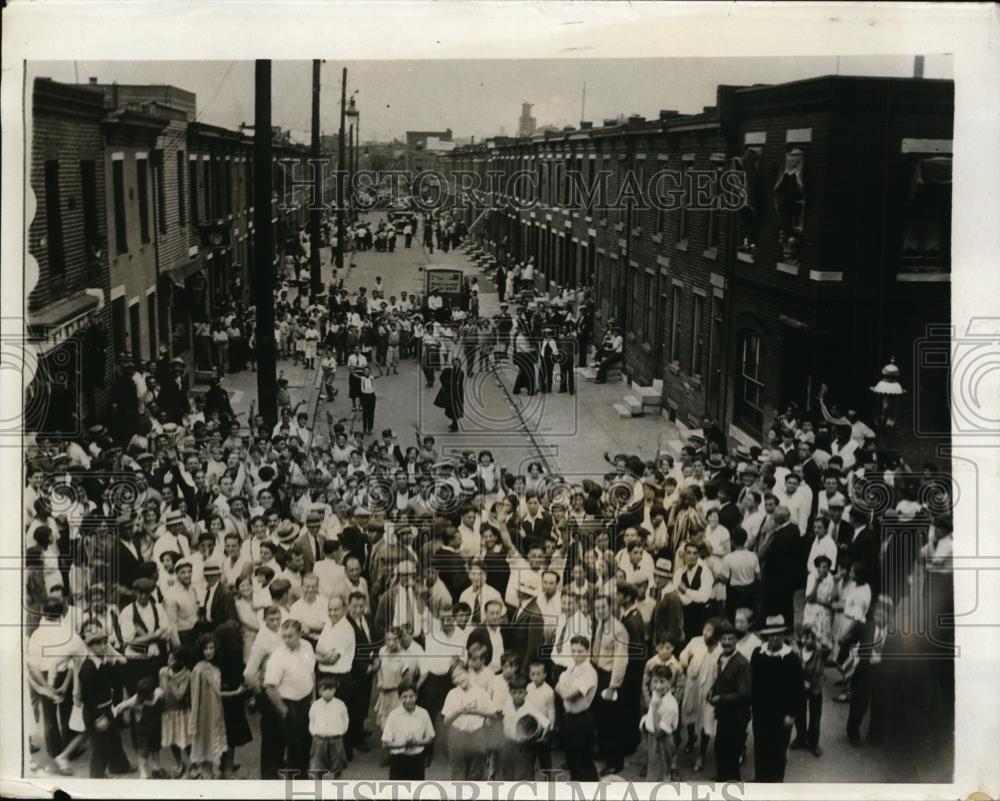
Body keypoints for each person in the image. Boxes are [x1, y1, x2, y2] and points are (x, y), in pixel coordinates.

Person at [750, 615, 802, 782]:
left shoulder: (791, 658)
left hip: (781, 715)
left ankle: (775, 783)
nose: (774, 638)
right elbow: (753, 682)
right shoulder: (758, 654)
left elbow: (797, 690)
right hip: (761, 712)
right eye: (771, 635)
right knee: (760, 747)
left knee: (778, 750)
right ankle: (760, 780)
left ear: (784, 636)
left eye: (778, 634)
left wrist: (791, 714)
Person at [264, 619, 317, 778]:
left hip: (306, 701)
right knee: (293, 747)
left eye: (290, 636)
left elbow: (311, 673)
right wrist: (284, 710)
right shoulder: (278, 656)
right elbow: (269, 687)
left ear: (300, 634)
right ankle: (295, 781)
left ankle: (303, 776)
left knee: (306, 743)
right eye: (284, 636)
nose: (286, 640)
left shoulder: (307, 646)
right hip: (288, 704)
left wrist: (313, 699)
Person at [708, 622, 752, 781]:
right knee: (720, 748)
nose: (726, 642)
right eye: (723, 638)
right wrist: (712, 691)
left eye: (730, 639)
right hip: (724, 714)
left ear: (736, 641)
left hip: (737, 716)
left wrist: (721, 699)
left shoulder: (742, 664)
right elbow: (719, 681)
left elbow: (744, 694)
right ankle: (721, 777)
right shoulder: (721, 658)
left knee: (732, 752)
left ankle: (732, 783)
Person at [554, 635, 599, 781]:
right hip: (569, 719)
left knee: (583, 763)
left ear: (587, 651)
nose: (576, 655)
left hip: (582, 720)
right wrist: (563, 688)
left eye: (580, 651)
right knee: (572, 761)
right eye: (573, 651)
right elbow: (557, 686)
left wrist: (564, 688)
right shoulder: (572, 668)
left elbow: (566, 693)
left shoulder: (589, 673)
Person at [441, 662, 495, 780]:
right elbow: (446, 721)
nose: (458, 679)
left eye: (460, 674)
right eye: (454, 677)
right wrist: (460, 711)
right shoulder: (452, 694)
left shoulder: (480, 691)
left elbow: (493, 714)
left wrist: (477, 712)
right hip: (457, 735)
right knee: (458, 772)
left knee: (476, 772)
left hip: (476, 734)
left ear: (467, 672)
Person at [188, 633, 227, 779]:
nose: (209, 652)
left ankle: (211, 775)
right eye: (205, 648)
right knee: (204, 748)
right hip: (203, 715)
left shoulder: (215, 668)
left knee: (213, 748)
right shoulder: (198, 670)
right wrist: (195, 720)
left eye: (211, 648)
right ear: (200, 650)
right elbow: (195, 696)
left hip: (216, 712)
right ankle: (205, 777)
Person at [498, 673, 550, 780]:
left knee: (525, 775)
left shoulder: (530, 708)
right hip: (507, 744)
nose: (518, 695)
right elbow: (502, 719)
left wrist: (540, 736)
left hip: (524, 747)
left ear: (526, 693)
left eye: (521, 692)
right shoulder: (507, 705)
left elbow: (546, 723)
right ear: (510, 693)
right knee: (507, 773)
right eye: (515, 692)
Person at [382, 683, 436, 779]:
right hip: (398, 760)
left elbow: (430, 738)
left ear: (416, 696)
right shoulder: (393, 715)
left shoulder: (423, 714)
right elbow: (386, 743)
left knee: (416, 791)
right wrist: (404, 744)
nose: (408, 700)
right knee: (397, 792)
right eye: (404, 697)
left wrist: (417, 742)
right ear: (399, 698)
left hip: (417, 759)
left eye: (411, 696)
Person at [791, 624, 827, 756]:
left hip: (815, 689)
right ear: (802, 638)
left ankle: (813, 742)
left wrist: (817, 633)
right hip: (800, 689)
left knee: (815, 717)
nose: (809, 640)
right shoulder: (796, 653)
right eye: (806, 637)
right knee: (799, 714)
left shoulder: (820, 653)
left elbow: (829, 646)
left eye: (812, 637)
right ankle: (800, 738)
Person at [640, 664, 680, 782]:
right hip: (652, 737)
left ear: (670, 683)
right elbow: (651, 713)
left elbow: (659, 732)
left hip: (662, 740)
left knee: (660, 773)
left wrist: (656, 709)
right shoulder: (656, 694)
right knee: (653, 768)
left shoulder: (671, 705)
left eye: (662, 682)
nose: (657, 686)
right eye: (655, 681)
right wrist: (645, 721)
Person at [159, 648, 192, 778]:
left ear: (181, 662)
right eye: (169, 658)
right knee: (172, 741)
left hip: (182, 713)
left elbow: (179, 695)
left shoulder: (187, 675)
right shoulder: (162, 671)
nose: (168, 661)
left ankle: (194, 764)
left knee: (187, 742)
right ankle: (179, 764)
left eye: (172, 659)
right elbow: (161, 691)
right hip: (167, 713)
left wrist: (170, 680)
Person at [309, 675, 349, 778]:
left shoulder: (340, 704)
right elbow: (312, 720)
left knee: (337, 763)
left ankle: (337, 783)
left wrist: (340, 732)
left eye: (331, 689)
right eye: (324, 689)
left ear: (335, 689)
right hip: (320, 739)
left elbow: (345, 720)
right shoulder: (316, 705)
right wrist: (315, 733)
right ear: (319, 691)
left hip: (336, 739)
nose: (328, 692)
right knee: (318, 764)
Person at [436, 357, 466, 432]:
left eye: (457, 363)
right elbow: (444, 378)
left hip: (456, 395)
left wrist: (448, 383)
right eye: (454, 363)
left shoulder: (460, 373)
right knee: (450, 409)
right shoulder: (451, 371)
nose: (455, 365)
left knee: (454, 410)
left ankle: (455, 427)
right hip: (450, 394)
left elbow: (456, 384)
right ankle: (453, 424)